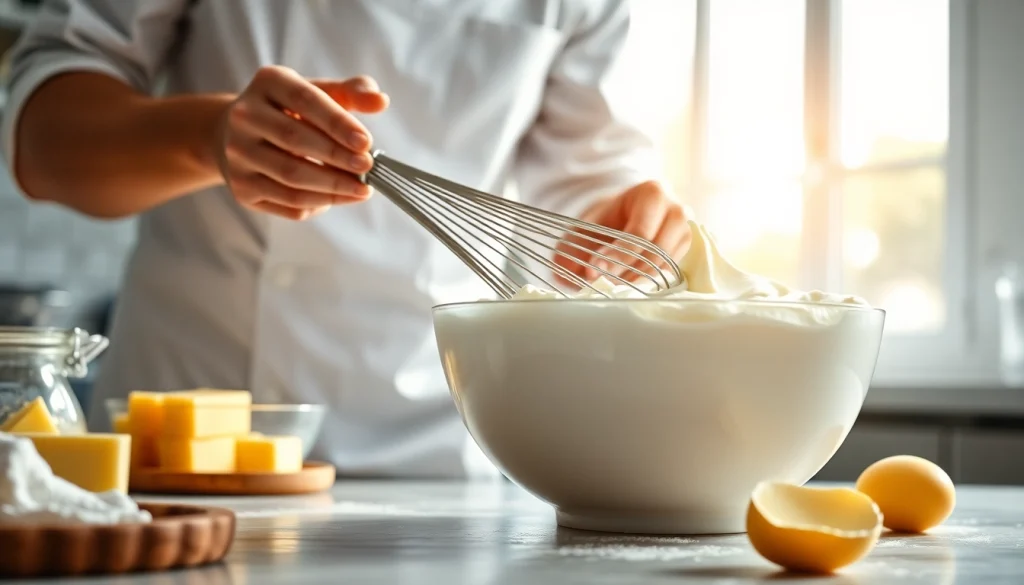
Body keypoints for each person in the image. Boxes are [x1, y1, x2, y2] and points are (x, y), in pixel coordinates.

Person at [1, 0, 692, 478]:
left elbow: (584, 190)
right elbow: (39, 139)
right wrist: (208, 139)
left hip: (438, 452)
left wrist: (619, 230)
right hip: (191, 450)